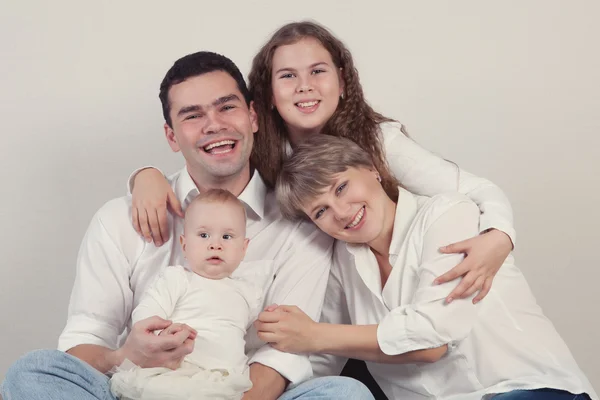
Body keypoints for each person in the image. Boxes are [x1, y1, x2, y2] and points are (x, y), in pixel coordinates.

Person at [0, 52, 374, 400]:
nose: (215, 125)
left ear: (254, 117)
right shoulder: (119, 219)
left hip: (236, 391)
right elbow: (84, 339)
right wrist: (124, 355)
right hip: (140, 389)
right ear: (171, 136)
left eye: (227, 107)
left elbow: (282, 354)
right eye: (193, 115)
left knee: (344, 393)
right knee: (33, 370)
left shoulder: (299, 224)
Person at [128, 21, 514, 305]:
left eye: (318, 71)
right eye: (287, 76)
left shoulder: (380, 141)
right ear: (266, 96)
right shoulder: (263, 146)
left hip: (396, 293)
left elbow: (478, 191)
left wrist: (499, 237)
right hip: (329, 301)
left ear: (342, 81)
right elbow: (215, 171)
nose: (304, 86)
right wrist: (145, 176)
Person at [255, 134, 597, 400]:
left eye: (341, 188)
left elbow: (433, 337)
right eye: (320, 212)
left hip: (526, 389)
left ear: (372, 169)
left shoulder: (447, 213)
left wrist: (314, 336)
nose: (341, 213)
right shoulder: (343, 262)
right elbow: (320, 361)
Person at [110, 189, 264, 400]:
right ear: (185, 245)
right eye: (203, 235)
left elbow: (249, 338)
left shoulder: (247, 292)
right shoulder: (178, 279)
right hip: (176, 369)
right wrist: (159, 335)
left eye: (227, 237)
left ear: (244, 248)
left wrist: (269, 327)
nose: (215, 244)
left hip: (223, 379)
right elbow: (147, 312)